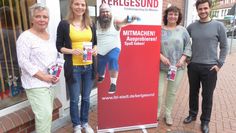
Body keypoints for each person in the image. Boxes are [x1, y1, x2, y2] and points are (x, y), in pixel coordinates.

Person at [183, 0, 228, 133]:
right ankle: (192, 114)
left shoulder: (218, 26)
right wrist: (187, 58)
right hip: (193, 66)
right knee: (193, 92)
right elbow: (184, 42)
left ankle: (205, 121)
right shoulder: (191, 27)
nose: (203, 11)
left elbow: (225, 46)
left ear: (210, 8)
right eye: (200, 9)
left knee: (207, 95)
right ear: (197, 10)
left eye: (205, 8)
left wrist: (219, 64)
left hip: (210, 68)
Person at [16, 3, 59, 133]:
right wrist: (43, 76)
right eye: (38, 16)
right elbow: (23, 62)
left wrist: (55, 74)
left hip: (49, 82)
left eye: (45, 17)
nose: (42, 19)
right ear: (31, 19)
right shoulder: (25, 37)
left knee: (46, 116)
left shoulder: (49, 36)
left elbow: (53, 57)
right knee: (44, 115)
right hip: (35, 83)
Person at [56, 0, 97, 133]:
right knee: (74, 99)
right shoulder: (64, 24)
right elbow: (59, 46)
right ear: (71, 6)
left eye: (82, 4)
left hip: (89, 67)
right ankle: (76, 125)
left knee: (86, 98)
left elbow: (95, 42)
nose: (80, 7)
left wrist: (95, 49)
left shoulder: (90, 23)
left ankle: (84, 122)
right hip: (74, 68)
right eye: (77, 4)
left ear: (85, 7)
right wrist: (71, 51)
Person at [158, 6, 191, 126]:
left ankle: (168, 114)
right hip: (161, 67)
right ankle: (156, 112)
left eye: (175, 14)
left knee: (171, 92)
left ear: (179, 17)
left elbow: (188, 46)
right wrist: (160, 56)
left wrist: (183, 59)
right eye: (170, 14)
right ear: (166, 15)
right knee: (159, 91)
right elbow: (152, 45)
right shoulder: (159, 30)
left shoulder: (183, 30)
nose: (173, 16)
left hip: (177, 67)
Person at [96, 3, 138, 94]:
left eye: (107, 11)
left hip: (113, 47)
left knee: (112, 59)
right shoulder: (95, 22)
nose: (105, 13)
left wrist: (129, 19)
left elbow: (123, 22)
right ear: (100, 13)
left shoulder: (114, 20)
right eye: (103, 12)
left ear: (110, 12)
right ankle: (102, 75)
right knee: (100, 64)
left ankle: (113, 84)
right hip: (100, 49)